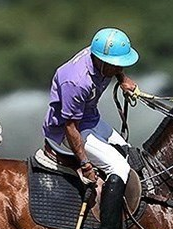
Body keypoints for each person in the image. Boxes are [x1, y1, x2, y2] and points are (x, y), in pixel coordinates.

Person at [42, 27, 139, 229]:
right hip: (66, 131)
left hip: (89, 119)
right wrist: (85, 164)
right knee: (119, 168)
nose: (118, 69)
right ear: (102, 61)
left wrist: (123, 79)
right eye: (116, 67)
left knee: (129, 151)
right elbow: (70, 127)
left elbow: (114, 64)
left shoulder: (100, 53)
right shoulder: (77, 81)